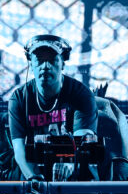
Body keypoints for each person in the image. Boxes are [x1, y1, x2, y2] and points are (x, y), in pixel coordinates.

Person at [6, 34, 97, 181]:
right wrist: (34, 178)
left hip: (74, 165)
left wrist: (68, 161)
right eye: (39, 60)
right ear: (31, 65)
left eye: (52, 60)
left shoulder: (81, 94)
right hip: (34, 165)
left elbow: (82, 140)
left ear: (63, 64)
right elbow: (19, 148)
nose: (45, 66)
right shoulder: (19, 98)